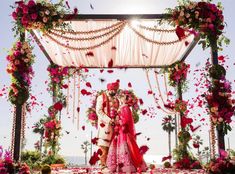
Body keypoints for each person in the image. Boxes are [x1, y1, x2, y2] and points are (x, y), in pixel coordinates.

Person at [106, 94, 147, 173]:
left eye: (123, 98)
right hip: (120, 130)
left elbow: (126, 121)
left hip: (123, 131)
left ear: (126, 100)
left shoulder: (125, 107)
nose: (121, 98)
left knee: (125, 146)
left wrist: (118, 121)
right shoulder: (122, 107)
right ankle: (118, 166)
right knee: (119, 146)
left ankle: (125, 166)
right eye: (121, 97)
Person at [96, 81, 120, 170]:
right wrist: (109, 120)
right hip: (105, 126)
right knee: (104, 147)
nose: (114, 91)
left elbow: (117, 112)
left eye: (116, 90)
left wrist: (117, 121)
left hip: (114, 127)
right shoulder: (101, 97)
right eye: (113, 90)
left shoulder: (117, 100)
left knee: (111, 147)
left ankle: (109, 166)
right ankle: (102, 166)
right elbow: (99, 111)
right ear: (108, 89)